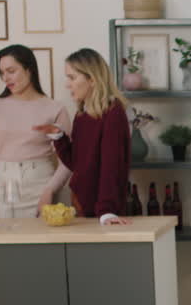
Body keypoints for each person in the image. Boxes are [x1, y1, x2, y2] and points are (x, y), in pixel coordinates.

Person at [34, 48, 130, 225]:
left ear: (92, 79)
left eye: (72, 77)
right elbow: (76, 164)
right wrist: (59, 137)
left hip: (102, 210)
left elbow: (112, 167)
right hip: (82, 204)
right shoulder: (81, 114)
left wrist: (107, 211)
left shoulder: (112, 113)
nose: (67, 84)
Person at [0, 44, 73, 217]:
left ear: (29, 69)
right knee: (4, 240)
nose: (6, 78)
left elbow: (68, 159)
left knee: (43, 241)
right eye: (2, 73)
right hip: (4, 188)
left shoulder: (55, 108)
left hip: (41, 186)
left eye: (11, 71)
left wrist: (50, 190)